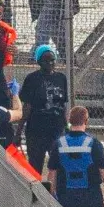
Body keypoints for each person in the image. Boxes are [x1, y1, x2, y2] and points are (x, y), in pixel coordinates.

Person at [17, 45, 68, 175]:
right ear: (39, 61)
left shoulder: (61, 78)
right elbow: (27, 106)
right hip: (36, 130)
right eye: (46, 60)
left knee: (58, 165)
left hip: (56, 129)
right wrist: (18, 132)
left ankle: (56, 193)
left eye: (52, 60)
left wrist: (66, 126)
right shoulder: (32, 79)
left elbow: (63, 105)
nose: (50, 63)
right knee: (35, 166)